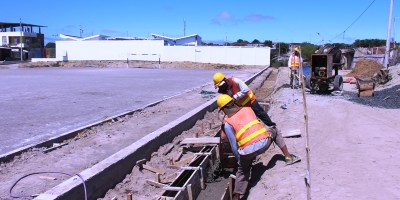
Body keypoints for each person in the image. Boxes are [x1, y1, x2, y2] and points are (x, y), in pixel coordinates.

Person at [217, 94, 300, 199]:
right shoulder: (248, 109)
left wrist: (240, 160)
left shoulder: (228, 123)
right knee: (275, 130)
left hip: (246, 152)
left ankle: (237, 196)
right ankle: (288, 157)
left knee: (242, 171)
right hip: (264, 143)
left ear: (224, 109)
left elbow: (233, 145)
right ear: (233, 103)